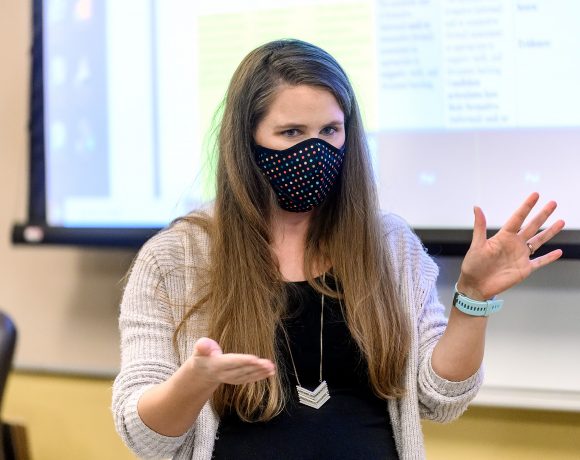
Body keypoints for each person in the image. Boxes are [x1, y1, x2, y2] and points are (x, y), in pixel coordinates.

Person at [112, 39, 565, 459]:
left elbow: (440, 399)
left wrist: (473, 299)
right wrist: (194, 382)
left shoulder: (390, 246)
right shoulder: (175, 259)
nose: (315, 150)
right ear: (246, 142)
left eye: (330, 130)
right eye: (291, 133)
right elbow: (145, 437)